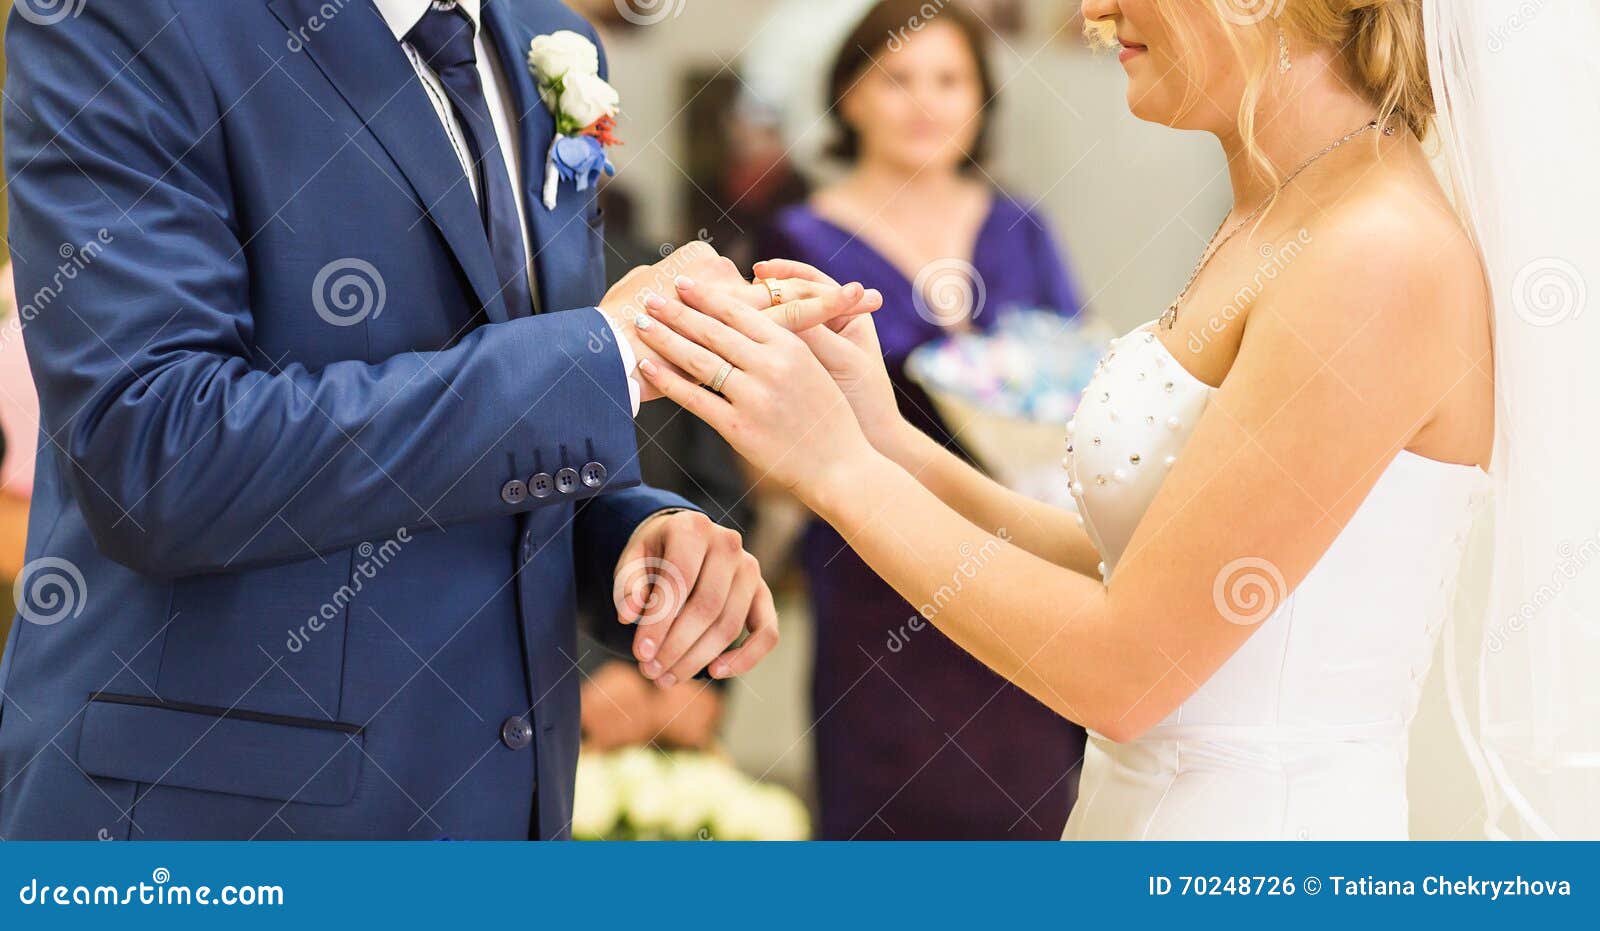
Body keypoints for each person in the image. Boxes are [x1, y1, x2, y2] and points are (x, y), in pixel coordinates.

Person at [622, 0, 1600, 838]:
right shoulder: (1280, 211)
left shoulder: (1375, 252)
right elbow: (1131, 570)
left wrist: (837, 468)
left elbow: (1128, 671)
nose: (1091, 11)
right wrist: (888, 442)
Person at [0, 0, 871, 840]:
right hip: (225, 820)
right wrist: (614, 353)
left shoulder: (548, 38)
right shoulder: (128, 16)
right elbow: (160, 455)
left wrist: (632, 536)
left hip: (502, 812)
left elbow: (496, 425)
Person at [758, 0, 1086, 839]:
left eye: (949, 80)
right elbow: (769, 413)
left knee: (1034, 801)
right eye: (897, 79)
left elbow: (1078, 376)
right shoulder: (799, 234)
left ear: (981, 100)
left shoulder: (1021, 225)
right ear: (850, 94)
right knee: (889, 799)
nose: (925, 102)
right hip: (876, 564)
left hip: (1014, 547)